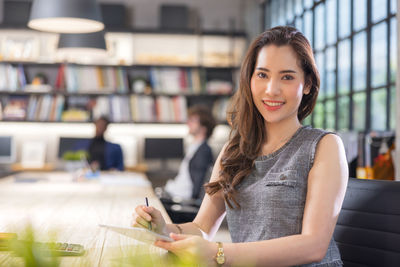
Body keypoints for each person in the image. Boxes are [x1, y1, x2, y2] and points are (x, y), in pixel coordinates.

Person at [132, 26, 348, 266]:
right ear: (249, 80)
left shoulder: (324, 146)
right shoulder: (233, 151)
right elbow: (201, 228)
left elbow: (313, 246)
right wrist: (163, 228)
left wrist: (218, 253)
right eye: (262, 75)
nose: (271, 89)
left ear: (307, 84)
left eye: (287, 77)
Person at [162, 105, 216, 201]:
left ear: (204, 127)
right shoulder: (194, 148)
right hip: (176, 193)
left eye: (193, 121)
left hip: (183, 200)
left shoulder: (203, 151)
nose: (188, 123)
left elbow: (196, 189)